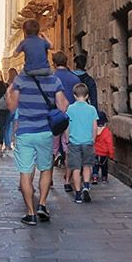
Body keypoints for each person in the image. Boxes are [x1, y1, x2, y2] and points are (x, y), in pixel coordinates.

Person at [7, 59, 63, 225]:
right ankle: (43, 204)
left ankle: (30, 213)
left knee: (25, 172)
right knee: (46, 168)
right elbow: (63, 105)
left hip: (25, 132)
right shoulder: (53, 80)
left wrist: (10, 91)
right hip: (45, 131)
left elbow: (11, 106)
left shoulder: (20, 80)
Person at [66, 81, 99, 203]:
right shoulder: (91, 109)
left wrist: (67, 138)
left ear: (74, 95)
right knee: (87, 166)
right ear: (87, 96)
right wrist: (93, 139)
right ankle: (86, 186)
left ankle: (78, 194)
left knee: (75, 168)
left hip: (74, 142)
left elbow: (67, 125)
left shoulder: (70, 108)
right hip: (87, 141)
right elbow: (94, 126)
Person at [51, 50, 79, 189]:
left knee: (52, 149)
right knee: (68, 148)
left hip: (54, 118)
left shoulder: (51, 78)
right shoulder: (75, 79)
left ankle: (48, 177)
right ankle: (67, 181)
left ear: (54, 63)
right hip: (70, 118)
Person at [93, 110, 114, 183]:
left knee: (95, 165)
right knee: (104, 166)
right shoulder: (106, 131)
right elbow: (109, 143)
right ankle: (104, 178)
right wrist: (111, 154)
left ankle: (95, 177)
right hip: (104, 153)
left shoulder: (93, 131)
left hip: (95, 152)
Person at [0, 68, 15, 154]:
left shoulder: (4, 84)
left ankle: (1, 144)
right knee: (8, 126)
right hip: (10, 107)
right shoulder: (14, 85)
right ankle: (8, 144)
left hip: (0, 108)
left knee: (2, 127)